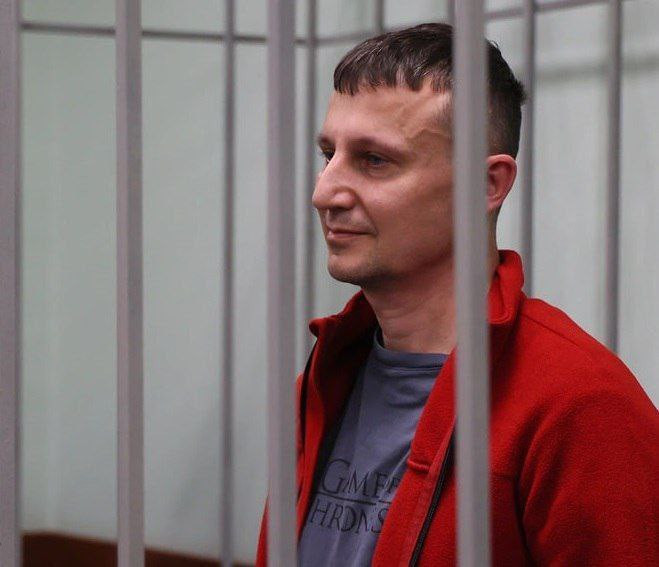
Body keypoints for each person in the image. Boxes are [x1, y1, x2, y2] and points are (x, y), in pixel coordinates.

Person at [256, 22, 658, 566]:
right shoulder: (325, 378)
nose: (324, 192)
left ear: (487, 185)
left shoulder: (579, 405)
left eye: (374, 160)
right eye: (329, 154)